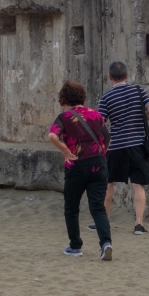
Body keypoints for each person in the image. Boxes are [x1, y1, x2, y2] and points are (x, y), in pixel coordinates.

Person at [48, 80, 112, 260]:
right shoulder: (96, 114)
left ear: (63, 98)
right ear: (82, 97)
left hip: (76, 165)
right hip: (99, 164)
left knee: (72, 208)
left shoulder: (65, 117)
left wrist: (66, 151)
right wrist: (101, 153)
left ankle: (75, 246)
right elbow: (106, 138)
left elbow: (52, 135)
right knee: (98, 208)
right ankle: (106, 243)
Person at [98, 60, 149, 235]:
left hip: (116, 146)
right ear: (127, 75)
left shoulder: (106, 98)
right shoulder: (139, 91)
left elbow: (100, 123)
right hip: (137, 145)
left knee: (109, 184)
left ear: (110, 78)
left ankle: (104, 222)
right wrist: (139, 120)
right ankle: (138, 225)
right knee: (138, 185)